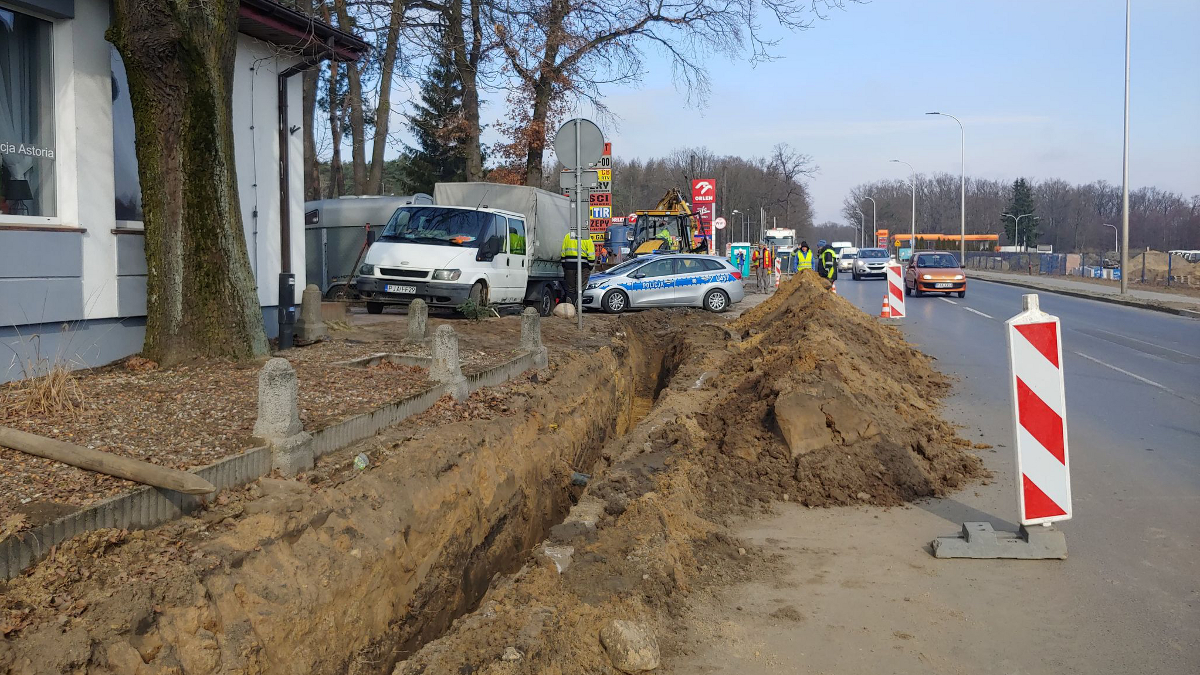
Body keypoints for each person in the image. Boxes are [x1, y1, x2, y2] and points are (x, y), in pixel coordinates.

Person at [560, 231, 596, 306]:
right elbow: (591, 254)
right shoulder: (586, 236)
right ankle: (577, 308)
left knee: (570, 289)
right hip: (583, 266)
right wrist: (590, 266)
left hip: (569, 266)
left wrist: (564, 265)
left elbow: (563, 252)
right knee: (580, 288)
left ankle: (569, 307)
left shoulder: (567, 236)